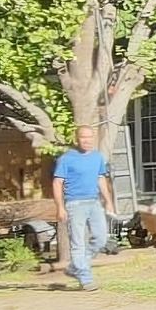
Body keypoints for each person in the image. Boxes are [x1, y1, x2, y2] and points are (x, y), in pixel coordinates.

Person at [52, 125, 114, 292]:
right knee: (78, 243)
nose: (86, 140)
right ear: (77, 139)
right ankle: (86, 279)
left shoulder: (97, 157)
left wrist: (108, 201)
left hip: (94, 203)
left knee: (101, 238)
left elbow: (101, 179)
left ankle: (75, 268)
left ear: (93, 138)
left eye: (89, 137)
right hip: (74, 204)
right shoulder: (66, 159)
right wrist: (60, 207)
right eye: (83, 137)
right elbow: (58, 183)